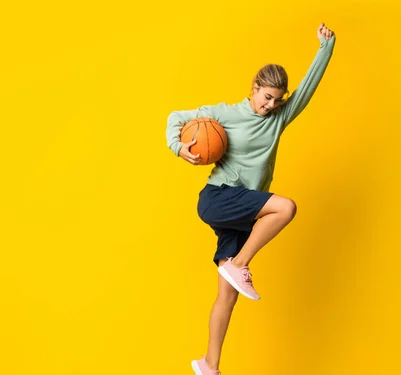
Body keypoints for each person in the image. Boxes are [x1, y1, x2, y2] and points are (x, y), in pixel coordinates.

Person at [166, 23, 336, 375]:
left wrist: (326, 47)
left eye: (277, 99)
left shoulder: (278, 119)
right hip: (218, 197)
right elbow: (176, 118)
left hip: (240, 214)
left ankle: (210, 365)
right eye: (265, 96)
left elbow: (308, 88)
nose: (270, 105)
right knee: (285, 207)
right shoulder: (226, 114)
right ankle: (239, 264)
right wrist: (180, 147)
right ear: (254, 88)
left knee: (227, 294)